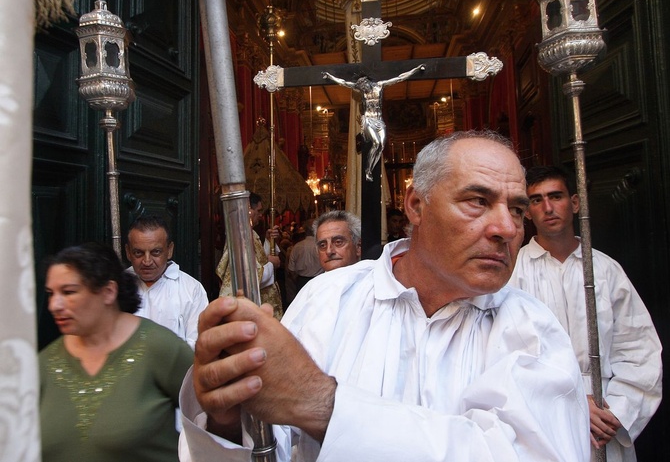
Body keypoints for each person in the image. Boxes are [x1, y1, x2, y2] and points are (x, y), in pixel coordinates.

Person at [178, 130, 590, 461]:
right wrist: (227, 422)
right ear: (416, 205)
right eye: (477, 201)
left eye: (516, 209)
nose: (506, 228)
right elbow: (273, 445)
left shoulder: (533, 331)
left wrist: (324, 405)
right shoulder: (327, 299)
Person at [508, 165, 662, 462]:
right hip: (541, 417)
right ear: (527, 212)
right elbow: (506, 354)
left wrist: (617, 412)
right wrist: (574, 402)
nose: (548, 207)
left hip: (604, 419)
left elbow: (637, 347)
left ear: (575, 203)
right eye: (537, 200)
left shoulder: (605, 270)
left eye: (556, 196)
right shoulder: (513, 274)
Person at [40, 242, 193, 462]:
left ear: (108, 292)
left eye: (68, 292)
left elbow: (213, 421)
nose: (55, 305)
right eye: (50, 293)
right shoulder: (45, 364)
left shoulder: (158, 347)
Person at [322, 64, 425, 181]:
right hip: (368, 120)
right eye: (361, 88)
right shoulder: (362, 90)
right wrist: (330, 77)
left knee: (381, 146)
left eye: (364, 86)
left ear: (367, 82)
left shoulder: (379, 86)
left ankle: (371, 167)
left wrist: (416, 69)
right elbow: (344, 83)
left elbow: (399, 78)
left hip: (379, 121)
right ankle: (368, 170)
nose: (363, 89)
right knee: (376, 143)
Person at [126, 214, 209, 350]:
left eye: (156, 252)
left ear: (169, 250)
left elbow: (197, 343)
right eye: (138, 253)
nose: (147, 261)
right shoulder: (119, 286)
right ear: (128, 252)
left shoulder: (191, 289)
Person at [217, 192, 283, 319]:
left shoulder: (250, 233)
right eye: (258, 210)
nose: (260, 215)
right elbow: (250, 276)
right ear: (248, 210)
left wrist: (269, 241)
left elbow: (259, 260)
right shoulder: (242, 235)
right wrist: (272, 264)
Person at [286, 219, 323, 294]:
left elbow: (291, 269)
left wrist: (296, 280)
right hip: (318, 280)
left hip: (302, 281)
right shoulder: (321, 246)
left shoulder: (297, 247)